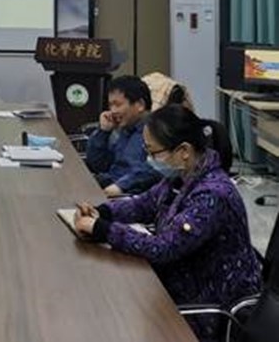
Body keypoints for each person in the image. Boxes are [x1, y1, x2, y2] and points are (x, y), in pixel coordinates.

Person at [74, 104, 262, 342]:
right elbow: (143, 204)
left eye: (154, 153)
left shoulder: (212, 195)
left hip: (208, 306)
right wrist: (102, 212)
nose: (150, 160)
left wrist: (103, 230)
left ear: (183, 151)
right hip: (179, 284)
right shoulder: (182, 176)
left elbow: (164, 248)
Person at [85, 75, 161, 196]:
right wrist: (103, 132)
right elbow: (98, 165)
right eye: (110, 105)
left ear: (140, 105)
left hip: (127, 196)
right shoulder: (125, 129)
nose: (113, 111)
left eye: (117, 105)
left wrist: (120, 186)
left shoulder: (158, 131)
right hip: (109, 186)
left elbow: (155, 169)